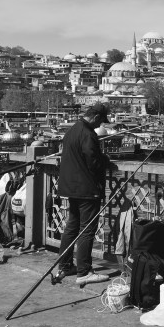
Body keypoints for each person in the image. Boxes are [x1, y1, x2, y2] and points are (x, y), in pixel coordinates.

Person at [57, 103, 113, 287]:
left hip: (71, 188)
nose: (100, 125)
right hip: (86, 190)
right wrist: (105, 160)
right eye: (101, 121)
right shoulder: (88, 134)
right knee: (87, 230)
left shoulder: (73, 130)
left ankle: (65, 266)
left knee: (71, 227)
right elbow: (93, 161)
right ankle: (84, 272)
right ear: (96, 117)